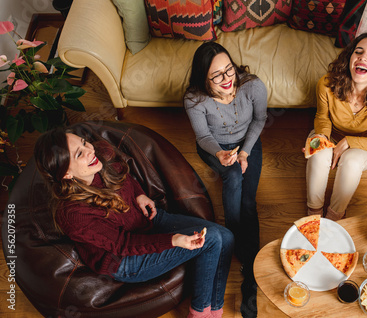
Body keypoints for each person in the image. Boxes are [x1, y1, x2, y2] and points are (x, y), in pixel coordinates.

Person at [34, 128, 234, 318]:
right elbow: (123, 244)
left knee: (226, 236)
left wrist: (139, 194)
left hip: (144, 221)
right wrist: (173, 240)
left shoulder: (99, 158)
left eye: (84, 142)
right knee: (212, 239)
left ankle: (212, 310)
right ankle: (200, 312)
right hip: (124, 260)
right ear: (66, 175)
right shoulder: (74, 214)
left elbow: (125, 176)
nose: (89, 150)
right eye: (79, 154)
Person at [184, 42, 267, 318]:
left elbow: (259, 120)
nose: (227, 78)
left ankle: (250, 276)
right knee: (232, 176)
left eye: (229, 68)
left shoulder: (252, 86)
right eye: (217, 75)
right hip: (215, 146)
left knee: (249, 203)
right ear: (203, 78)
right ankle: (233, 237)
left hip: (248, 143)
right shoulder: (194, 99)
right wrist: (220, 153)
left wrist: (244, 152)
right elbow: (203, 137)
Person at [306, 32, 367, 220]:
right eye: (358, 51)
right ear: (350, 58)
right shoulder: (326, 84)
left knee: (351, 162)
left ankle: (335, 217)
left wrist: (349, 142)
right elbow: (322, 117)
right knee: (318, 154)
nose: (363, 57)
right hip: (331, 135)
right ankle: (313, 213)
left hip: (365, 143)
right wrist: (322, 137)